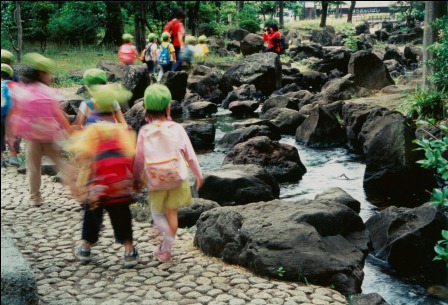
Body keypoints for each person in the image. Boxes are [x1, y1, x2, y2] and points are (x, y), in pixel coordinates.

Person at [67, 83, 139, 268]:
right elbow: (132, 157)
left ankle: (85, 248)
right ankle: (129, 251)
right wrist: (137, 182)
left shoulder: (91, 131)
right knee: (122, 219)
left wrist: (81, 185)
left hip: (96, 189)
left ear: (96, 107)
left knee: (91, 217)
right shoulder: (124, 131)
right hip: (119, 189)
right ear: (113, 110)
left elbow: (83, 158)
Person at [133, 84, 203, 263]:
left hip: (155, 180)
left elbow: (139, 159)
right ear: (168, 107)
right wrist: (199, 176)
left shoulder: (144, 131)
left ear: (146, 109)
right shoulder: (177, 128)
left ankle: (163, 238)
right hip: (176, 179)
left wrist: (136, 179)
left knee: (157, 214)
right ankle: (166, 249)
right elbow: (190, 156)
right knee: (172, 213)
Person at [6, 53, 73, 206]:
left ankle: (35, 198)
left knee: (33, 168)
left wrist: (11, 135)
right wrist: (69, 131)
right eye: (49, 74)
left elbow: (16, 113)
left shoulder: (24, 91)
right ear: (42, 74)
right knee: (60, 163)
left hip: (32, 138)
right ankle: (75, 188)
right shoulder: (48, 92)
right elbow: (59, 115)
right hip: (50, 136)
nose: (50, 77)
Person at [1, 63, 21, 167]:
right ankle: (13, 157)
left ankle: (1, 159)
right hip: (11, 115)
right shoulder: (13, 84)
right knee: (13, 135)